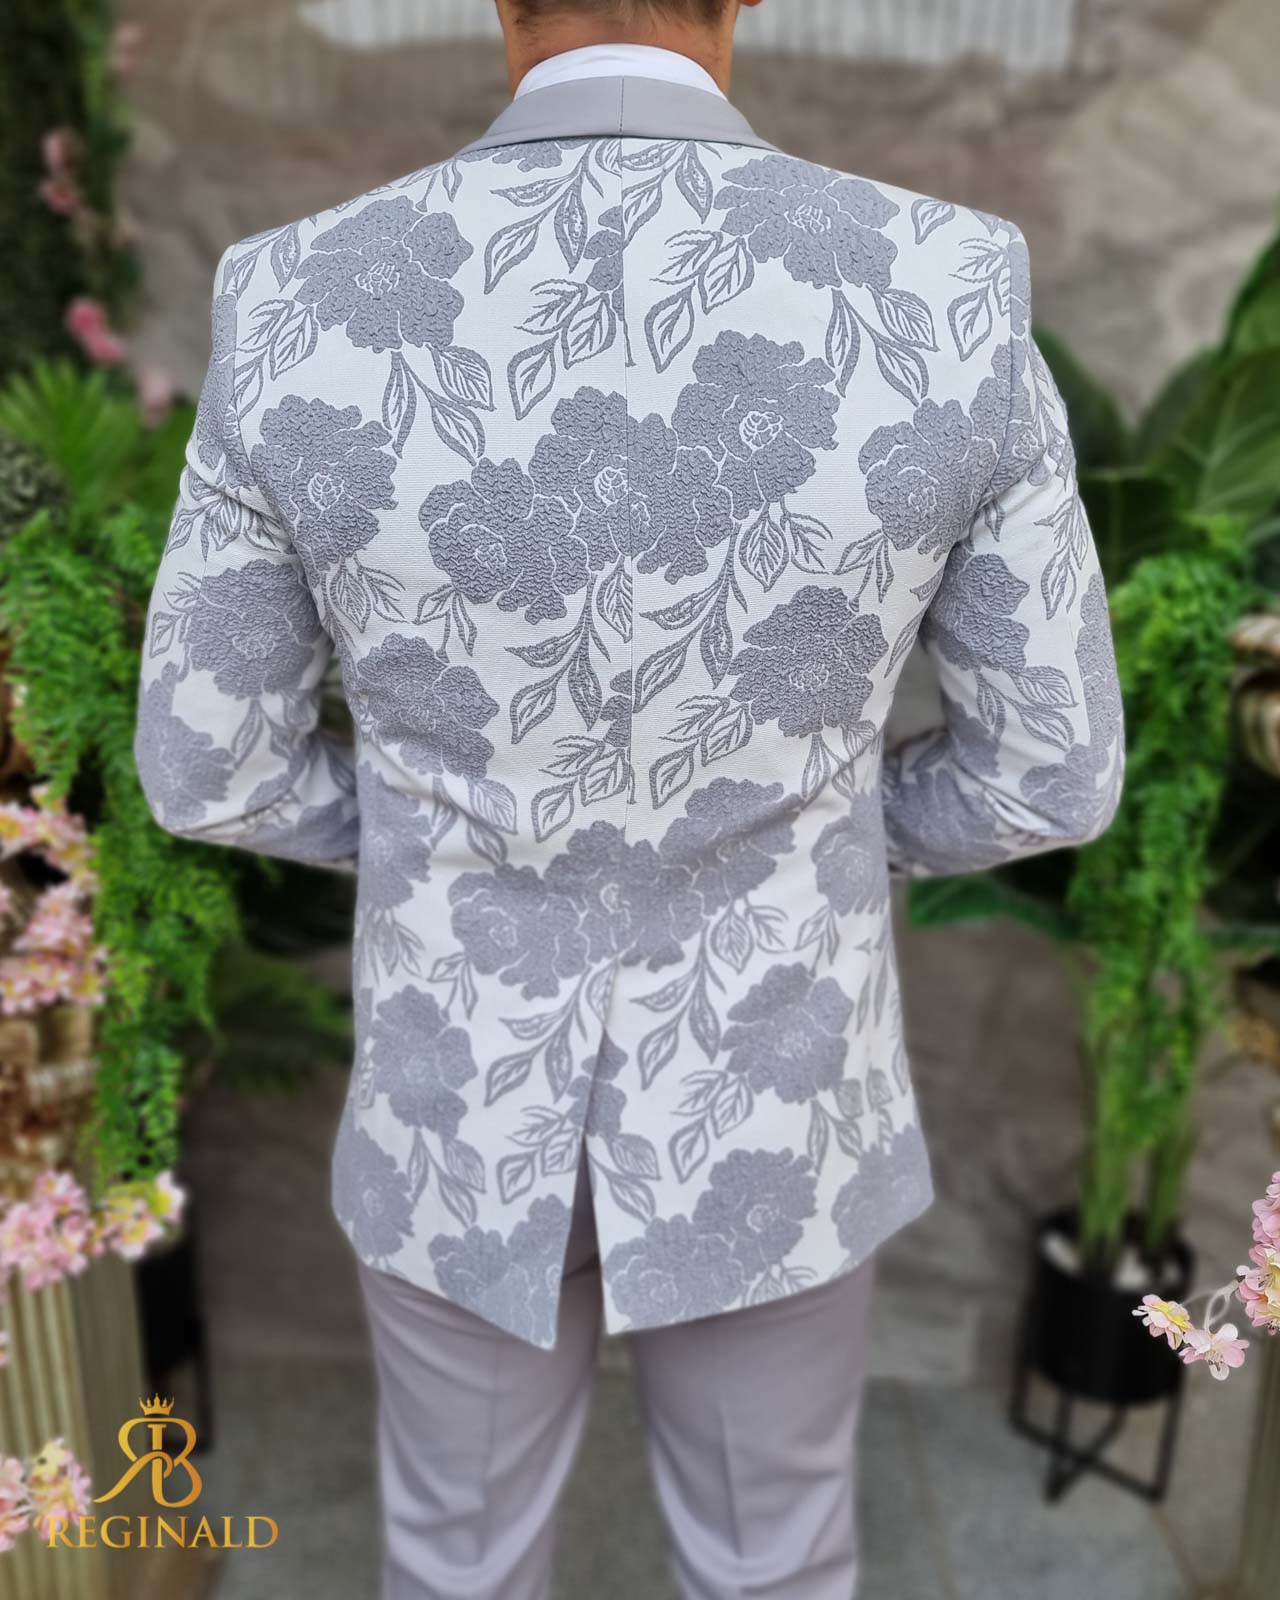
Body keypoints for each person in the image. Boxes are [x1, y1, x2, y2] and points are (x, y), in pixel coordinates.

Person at [134, 1, 1124, 1594]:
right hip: (774, 1082)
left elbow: (207, 764)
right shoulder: (945, 282)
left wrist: (436, 836)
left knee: (455, 1563)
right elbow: (1050, 768)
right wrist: (820, 833)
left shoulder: (294, 294)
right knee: (771, 1562)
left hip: (460, 1082)